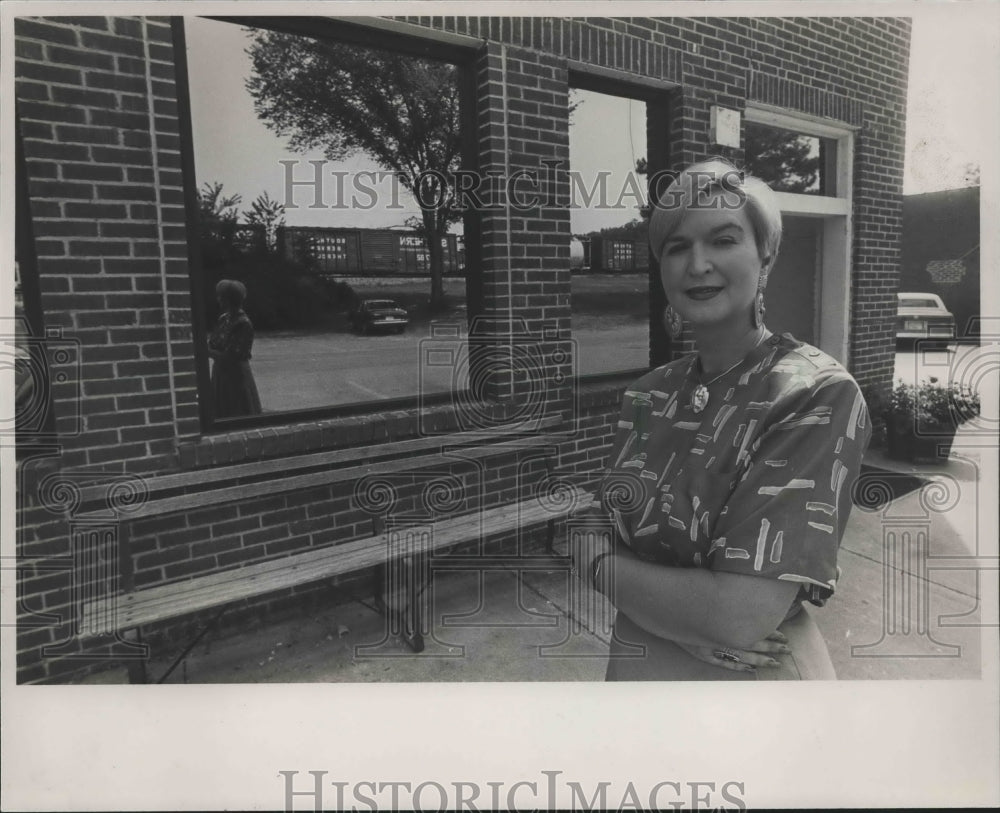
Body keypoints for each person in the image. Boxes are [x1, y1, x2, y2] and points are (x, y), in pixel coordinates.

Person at [577, 159, 871, 680]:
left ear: (766, 255)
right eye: (676, 247)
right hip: (638, 664)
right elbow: (588, 527)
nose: (697, 264)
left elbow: (740, 614)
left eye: (723, 240)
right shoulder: (649, 395)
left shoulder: (813, 394)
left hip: (747, 682)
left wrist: (600, 570)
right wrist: (683, 624)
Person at [208, 279, 263, 419]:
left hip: (236, 377)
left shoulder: (243, 323)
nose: (218, 299)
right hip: (220, 374)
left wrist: (206, 351)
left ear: (229, 299)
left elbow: (230, 357)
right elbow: (213, 343)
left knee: (238, 413)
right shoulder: (224, 318)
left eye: (222, 296)